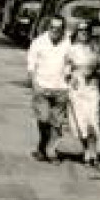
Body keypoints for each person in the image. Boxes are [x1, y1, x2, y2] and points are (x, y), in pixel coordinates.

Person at [27, 16, 70, 162]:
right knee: (44, 119)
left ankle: (51, 151)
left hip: (61, 89)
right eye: (52, 27)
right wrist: (35, 85)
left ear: (63, 29)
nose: (55, 31)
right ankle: (43, 144)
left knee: (57, 123)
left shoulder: (68, 43)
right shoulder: (38, 42)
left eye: (59, 28)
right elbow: (31, 67)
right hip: (42, 87)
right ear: (48, 27)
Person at [64, 21, 100, 167]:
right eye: (81, 30)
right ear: (77, 33)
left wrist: (96, 72)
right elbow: (66, 68)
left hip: (92, 88)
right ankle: (87, 150)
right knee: (80, 121)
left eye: (86, 30)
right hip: (77, 88)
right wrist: (70, 76)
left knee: (92, 118)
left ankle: (93, 152)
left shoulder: (96, 49)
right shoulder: (71, 50)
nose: (84, 33)